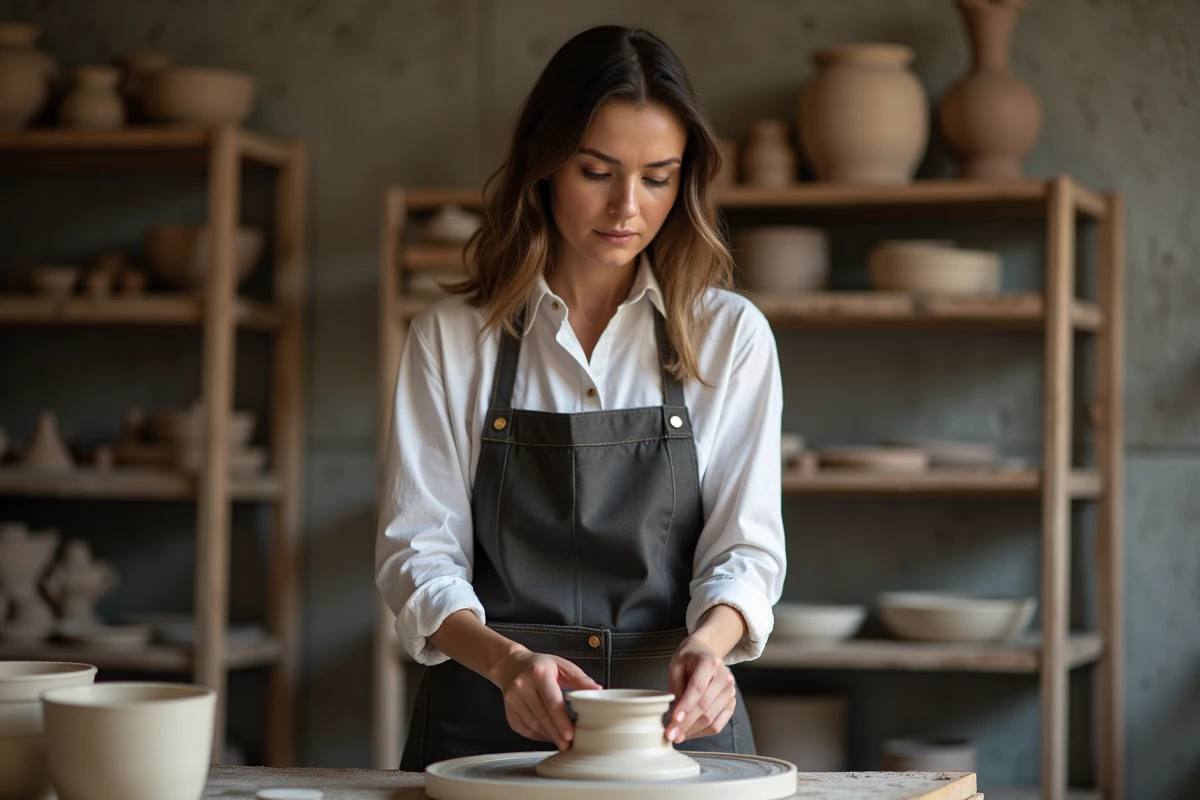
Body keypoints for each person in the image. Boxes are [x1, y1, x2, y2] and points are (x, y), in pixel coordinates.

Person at [376, 24, 786, 771]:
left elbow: (746, 550)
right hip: (489, 727)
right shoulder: (452, 338)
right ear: (544, 163)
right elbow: (418, 553)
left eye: (658, 177)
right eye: (597, 171)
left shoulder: (730, 337)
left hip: (671, 734)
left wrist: (709, 645)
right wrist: (506, 662)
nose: (627, 206)